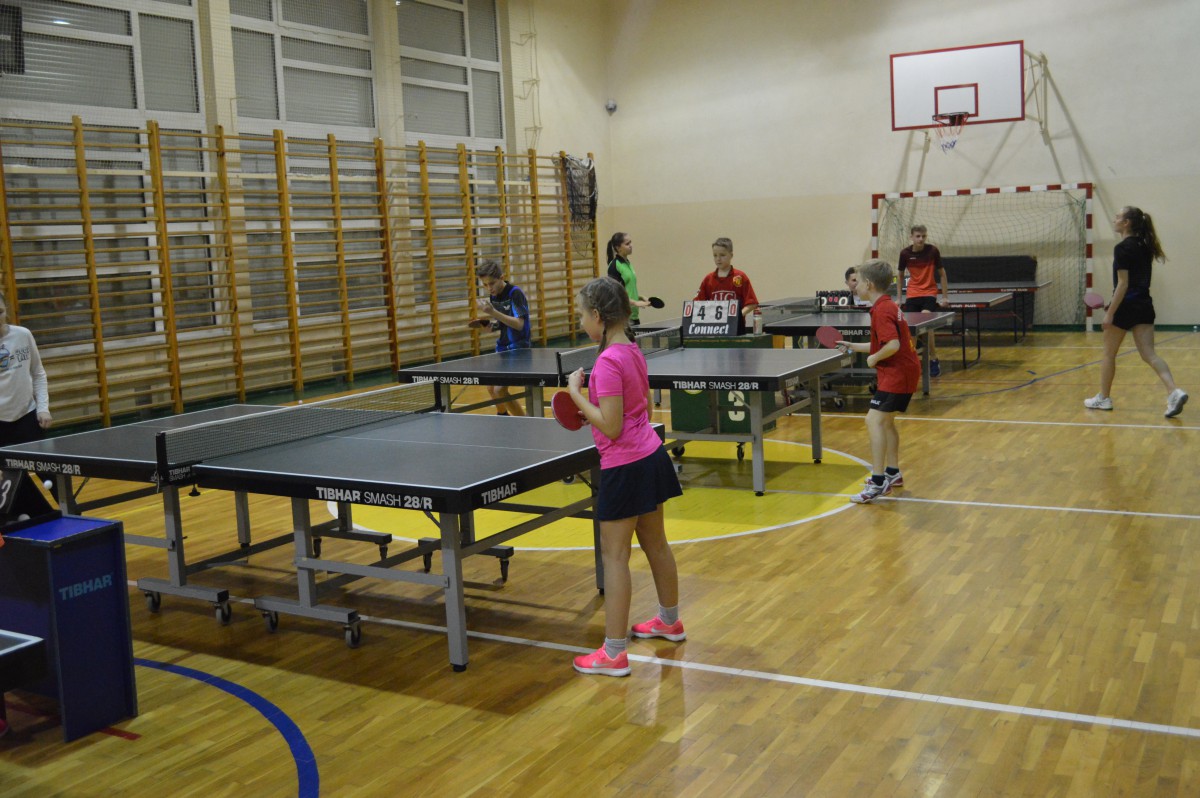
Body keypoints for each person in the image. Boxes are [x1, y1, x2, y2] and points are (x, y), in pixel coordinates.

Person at [567, 277, 684, 676]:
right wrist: (598, 411)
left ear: (597, 315)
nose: (581, 322)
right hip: (650, 455)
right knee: (656, 544)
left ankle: (614, 652)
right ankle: (669, 621)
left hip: (624, 465)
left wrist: (576, 393)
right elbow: (643, 411)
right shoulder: (632, 351)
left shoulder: (606, 362)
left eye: (581, 315)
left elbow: (613, 427)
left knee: (614, 557)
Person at [1084, 206, 1188, 417]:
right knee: (1150, 354)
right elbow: (1133, 285)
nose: (1114, 220)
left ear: (1126, 223)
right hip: (1144, 305)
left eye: (1118, 217)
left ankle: (1104, 398)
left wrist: (1110, 313)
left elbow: (1123, 284)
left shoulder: (1122, 248)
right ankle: (1174, 391)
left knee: (1108, 354)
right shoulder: (1145, 245)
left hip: (1125, 306)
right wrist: (1113, 304)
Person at [835, 260, 920, 504]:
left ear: (869, 284)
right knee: (887, 422)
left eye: (859, 281)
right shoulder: (887, 305)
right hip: (905, 371)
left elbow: (892, 345)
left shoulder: (881, 310)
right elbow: (881, 344)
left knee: (873, 420)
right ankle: (893, 473)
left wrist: (873, 358)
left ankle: (878, 480)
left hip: (897, 374)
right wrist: (854, 346)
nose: (856, 286)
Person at [0, 290, 53, 517]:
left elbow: (38, 372)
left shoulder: (23, 335)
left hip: (26, 416)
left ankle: (74, 514)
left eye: (0, 311)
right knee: (15, 478)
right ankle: (41, 518)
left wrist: (43, 407)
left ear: (6, 310)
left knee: (50, 471)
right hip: (1, 424)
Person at [470, 259, 531, 416]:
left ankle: (524, 423)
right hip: (503, 348)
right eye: (485, 285)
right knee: (491, 387)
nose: (489, 288)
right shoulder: (494, 297)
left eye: (492, 283)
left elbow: (519, 324)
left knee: (499, 390)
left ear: (502, 277)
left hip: (519, 349)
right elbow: (503, 323)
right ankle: (503, 417)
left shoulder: (514, 293)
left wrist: (493, 312)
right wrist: (492, 326)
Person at [897, 224, 948, 376]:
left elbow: (942, 273)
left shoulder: (933, 251)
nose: (921, 239)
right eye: (918, 236)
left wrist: (945, 296)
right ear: (911, 237)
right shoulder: (905, 254)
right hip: (912, 294)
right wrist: (899, 298)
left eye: (923, 236)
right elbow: (900, 276)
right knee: (911, 329)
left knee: (927, 325)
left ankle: (933, 359)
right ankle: (911, 361)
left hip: (929, 293)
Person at [695, 237, 758, 334]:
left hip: (736, 330)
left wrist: (736, 317)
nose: (718, 259)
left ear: (731, 255)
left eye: (722, 255)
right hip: (713, 329)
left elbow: (752, 303)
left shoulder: (740, 277)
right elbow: (698, 304)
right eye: (715, 255)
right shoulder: (708, 279)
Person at [606, 232, 651, 326]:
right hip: (623, 317)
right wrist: (635, 303)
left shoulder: (627, 263)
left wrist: (640, 297)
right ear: (618, 248)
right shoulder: (614, 266)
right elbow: (615, 294)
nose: (631, 245)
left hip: (633, 315)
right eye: (627, 244)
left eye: (631, 242)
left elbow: (626, 289)